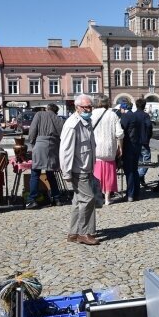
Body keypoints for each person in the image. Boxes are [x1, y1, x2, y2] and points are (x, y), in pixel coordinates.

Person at [59, 94, 99, 245]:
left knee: (78, 201)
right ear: (77, 108)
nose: (89, 109)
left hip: (86, 167)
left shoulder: (86, 122)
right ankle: (83, 233)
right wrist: (66, 172)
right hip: (78, 168)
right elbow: (66, 151)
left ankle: (73, 233)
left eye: (90, 107)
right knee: (88, 199)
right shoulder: (72, 125)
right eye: (85, 107)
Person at [26, 104, 64, 209]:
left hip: (40, 144)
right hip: (53, 146)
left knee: (35, 173)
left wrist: (32, 143)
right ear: (55, 111)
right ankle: (57, 198)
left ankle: (32, 200)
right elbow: (64, 135)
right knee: (51, 174)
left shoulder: (39, 114)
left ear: (47, 109)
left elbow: (32, 130)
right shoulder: (59, 119)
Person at [92, 96, 124, 204]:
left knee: (97, 173)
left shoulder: (92, 114)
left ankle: (97, 196)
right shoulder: (112, 114)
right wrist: (120, 147)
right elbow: (119, 133)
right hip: (109, 148)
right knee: (109, 173)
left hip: (95, 148)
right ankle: (107, 198)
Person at [120, 98, 153, 201]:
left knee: (129, 170)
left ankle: (130, 194)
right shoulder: (138, 116)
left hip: (129, 146)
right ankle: (136, 193)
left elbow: (121, 132)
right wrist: (147, 138)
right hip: (138, 145)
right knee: (135, 169)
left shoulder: (126, 117)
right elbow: (148, 126)